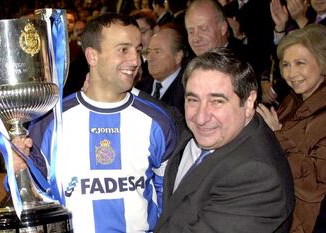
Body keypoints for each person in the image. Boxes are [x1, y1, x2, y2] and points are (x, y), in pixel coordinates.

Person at [15, 13, 177, 233]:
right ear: (92, 56)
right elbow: (28, 194)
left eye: (138, 50)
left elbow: (166, 195)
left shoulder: (157, 121)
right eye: (123, 49)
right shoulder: (51, 122)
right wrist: (16, 166)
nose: (136, 61)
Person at [154, 48, 295, 233]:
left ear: (249, 101)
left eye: (217, 101)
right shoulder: (218, 130)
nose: (200, 117)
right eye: (193, 100)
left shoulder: (256, 177)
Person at [257, 24, 326, 233]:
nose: (291, 73)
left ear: (323, 64)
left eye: (300, 63)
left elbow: (316, 184)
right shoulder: (292, 101)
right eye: (286, 65)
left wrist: (278, 136)